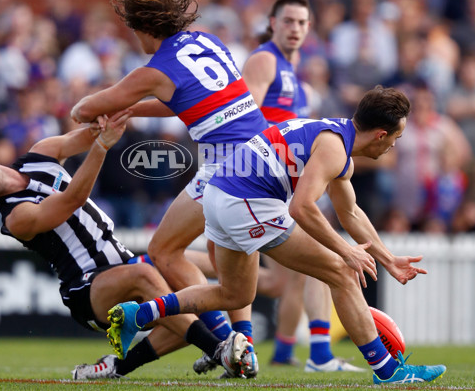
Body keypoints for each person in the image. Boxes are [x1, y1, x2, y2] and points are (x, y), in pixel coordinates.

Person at [108, 86, 447, 385]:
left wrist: (388, 259)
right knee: (342, 272)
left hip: (221, 196)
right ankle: (387, 371)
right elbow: (302, 208)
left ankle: (138, 314)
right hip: (246, 200)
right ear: (380, 134)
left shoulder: (335, 142)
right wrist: (346, 251)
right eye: (395, 138)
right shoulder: (333, 149)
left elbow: (350, 213)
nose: (393, 146)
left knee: (234, 295)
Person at [70, 0, 268, 376]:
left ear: (144, 25)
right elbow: (187, 102)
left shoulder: (152, 70)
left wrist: (87, 107)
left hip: (227, 167)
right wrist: (134, 109)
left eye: (132, 30)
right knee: (217, 253)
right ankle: (243, 341)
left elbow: (86, 108)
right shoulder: (207, 42)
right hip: (262, 154)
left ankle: (227, 345)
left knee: (164, 251)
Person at [0, 110, 250, 380]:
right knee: (149, 276)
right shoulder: (15, 217)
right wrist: (103, 145)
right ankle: (221, 349)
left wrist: (106, 117)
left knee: (185, 291)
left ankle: (120, 366)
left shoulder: (40, 154)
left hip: (123, 262)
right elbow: (72, 199)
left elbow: (87, 135)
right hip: (87, 290)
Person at [241, 0, 364, 372]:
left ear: (310, 28)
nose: (295, 28)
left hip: (282, 184)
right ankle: (321, 354)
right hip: (256, 180)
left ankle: (284, 351)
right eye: (288, 21)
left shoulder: (296, 74)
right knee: (317, 263)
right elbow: (242, 118)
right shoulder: (265, 61)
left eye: (302, 22)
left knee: (290, 279)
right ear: (272, 23)